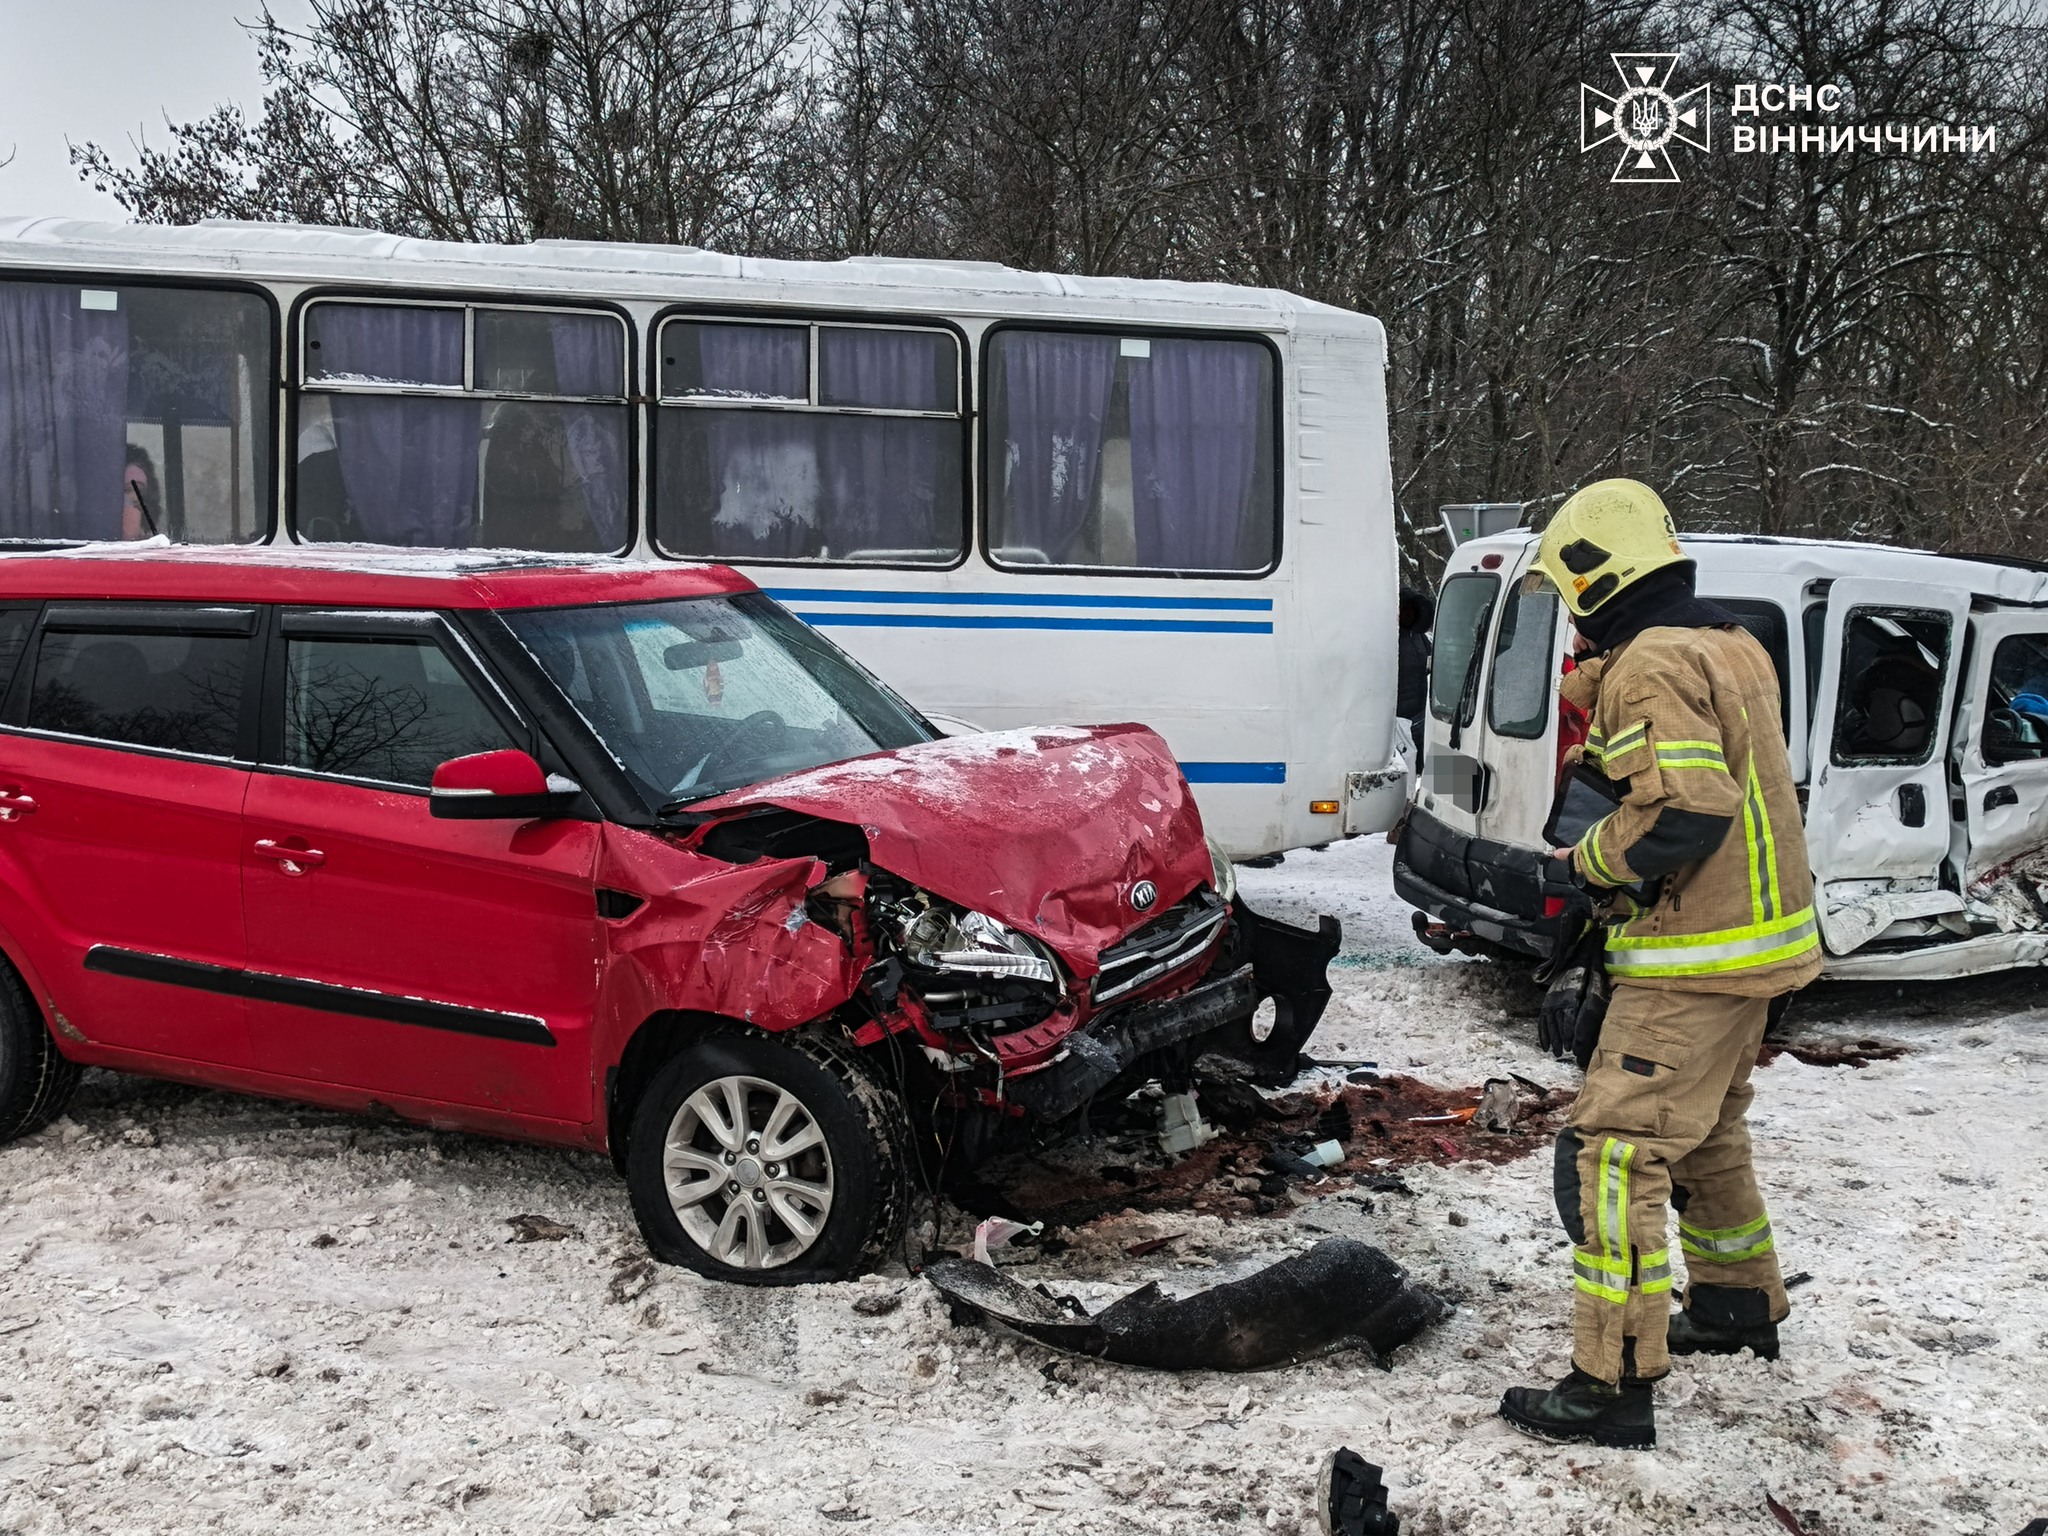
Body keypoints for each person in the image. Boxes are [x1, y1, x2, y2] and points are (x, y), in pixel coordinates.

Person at [1497, 479, 1821, 1450]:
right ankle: (1734, 1306)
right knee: (1709, 1133)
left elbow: (1684, 811)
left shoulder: (1647, 662)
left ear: (1596, 576)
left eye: (1567, 591)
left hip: (1690, 957)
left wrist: (1583, 864)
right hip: (1757, 945)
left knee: (1615, 1156)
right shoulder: (1728, 643)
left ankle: (1610, 1382)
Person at [1395, 586, 1432, 756]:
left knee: (1432, 772)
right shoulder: (1386, 637)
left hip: (1422, 716)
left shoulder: (1419, 637)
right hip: (1396, 723)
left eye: (1412, 610)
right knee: (1404, 774)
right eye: (1405, 609)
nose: (1409, 614)